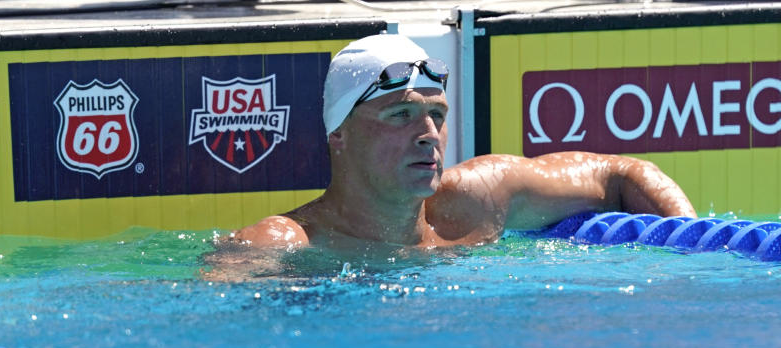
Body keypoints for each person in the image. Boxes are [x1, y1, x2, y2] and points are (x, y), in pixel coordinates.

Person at [232, 34, 695, 250]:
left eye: (437, 115)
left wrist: (694, 249)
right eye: (402, 115)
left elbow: (618, 173)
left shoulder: (476, 201)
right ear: (339, 133)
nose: (428, 135)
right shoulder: (282, 246)